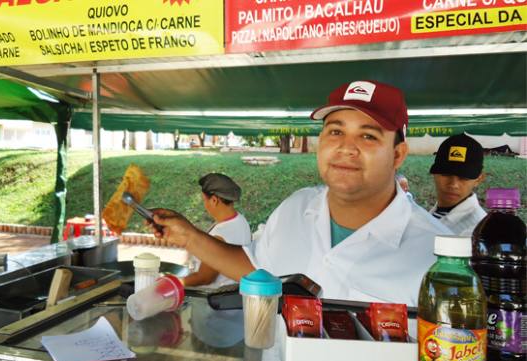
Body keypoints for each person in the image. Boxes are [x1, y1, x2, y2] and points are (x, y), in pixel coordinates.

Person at [149, 80, 450, 306]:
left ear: (397, 155)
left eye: (368, 136)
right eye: (335, 131)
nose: (346, 147)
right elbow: (256, 269)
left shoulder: (436, 255)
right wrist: (188, 235)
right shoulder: (296, 207)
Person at [182, 173, 251, 287]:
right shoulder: (241, 220)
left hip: (216, 297)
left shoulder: (221, 235)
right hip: (235, 290)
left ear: (214, 200)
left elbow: (205, 278)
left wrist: (175, 282)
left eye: (204, 200)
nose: (204, 205)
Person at [429, 133, 487, 236]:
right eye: (446, 174)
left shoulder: (477, 230)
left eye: (464, 178)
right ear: (434, 173)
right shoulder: (428, 214)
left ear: (479, 179)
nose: (453, 184)